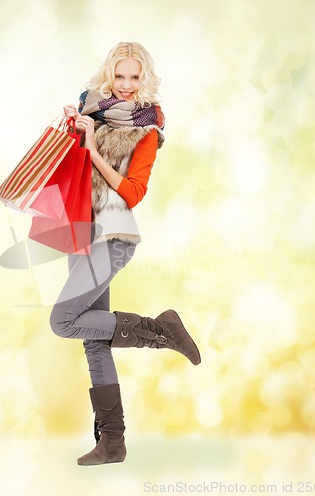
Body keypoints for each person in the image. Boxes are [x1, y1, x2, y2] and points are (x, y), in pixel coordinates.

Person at [49, 42, 201, 466]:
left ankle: (160, 330)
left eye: (136, 77)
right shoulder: (90, 112)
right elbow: (66, 170)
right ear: (108, 76)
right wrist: (72, 132)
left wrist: (95, 151)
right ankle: (112, 443)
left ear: (145, 79)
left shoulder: (146, 131)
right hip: (79, 230)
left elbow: (133, 193)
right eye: (121, 76)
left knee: (62, 321)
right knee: (94, 341)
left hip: (112, 237)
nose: (128, 85)